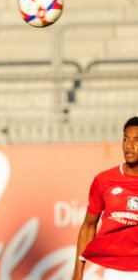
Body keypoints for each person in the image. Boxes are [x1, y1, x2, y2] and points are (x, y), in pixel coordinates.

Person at [73, 116, 138, 280]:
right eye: (125, 139)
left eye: (137, 140)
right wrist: (78, 272)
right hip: (115, 272)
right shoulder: (104, 181)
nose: (129, 145)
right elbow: (88, 226)